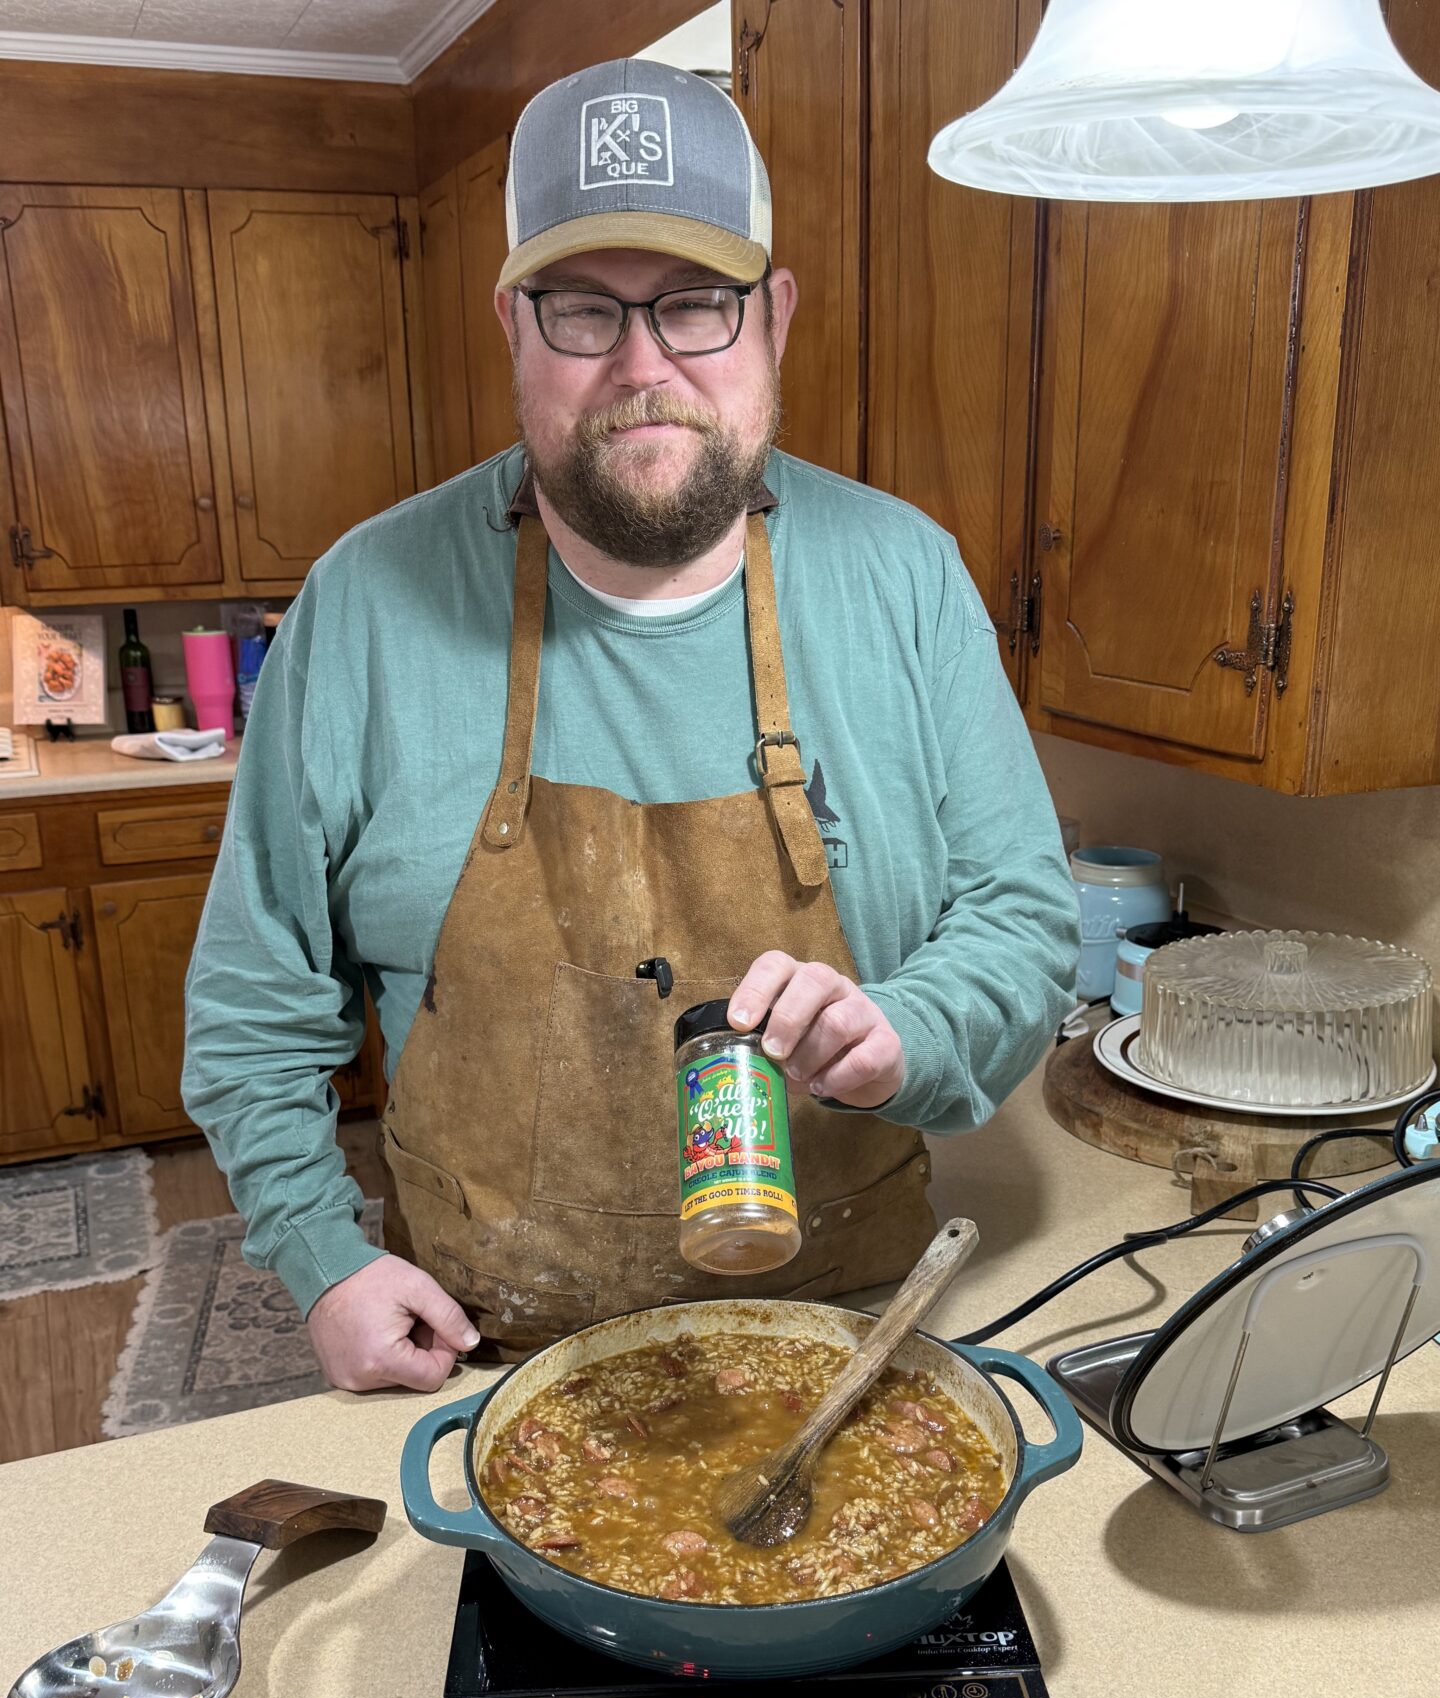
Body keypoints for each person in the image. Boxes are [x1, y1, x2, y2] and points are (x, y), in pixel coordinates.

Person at [183, 58, 1079, 1393]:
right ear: (511, 324)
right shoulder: (364, 605)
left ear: (773, 312)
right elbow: (257, 1001)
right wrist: (326, 1258)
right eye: (584, 310)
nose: (644, 367)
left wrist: (913, 1031)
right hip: (486, 1361)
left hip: (853, 1355)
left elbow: (1023, 919)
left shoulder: (903, 576)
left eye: (697, 305)